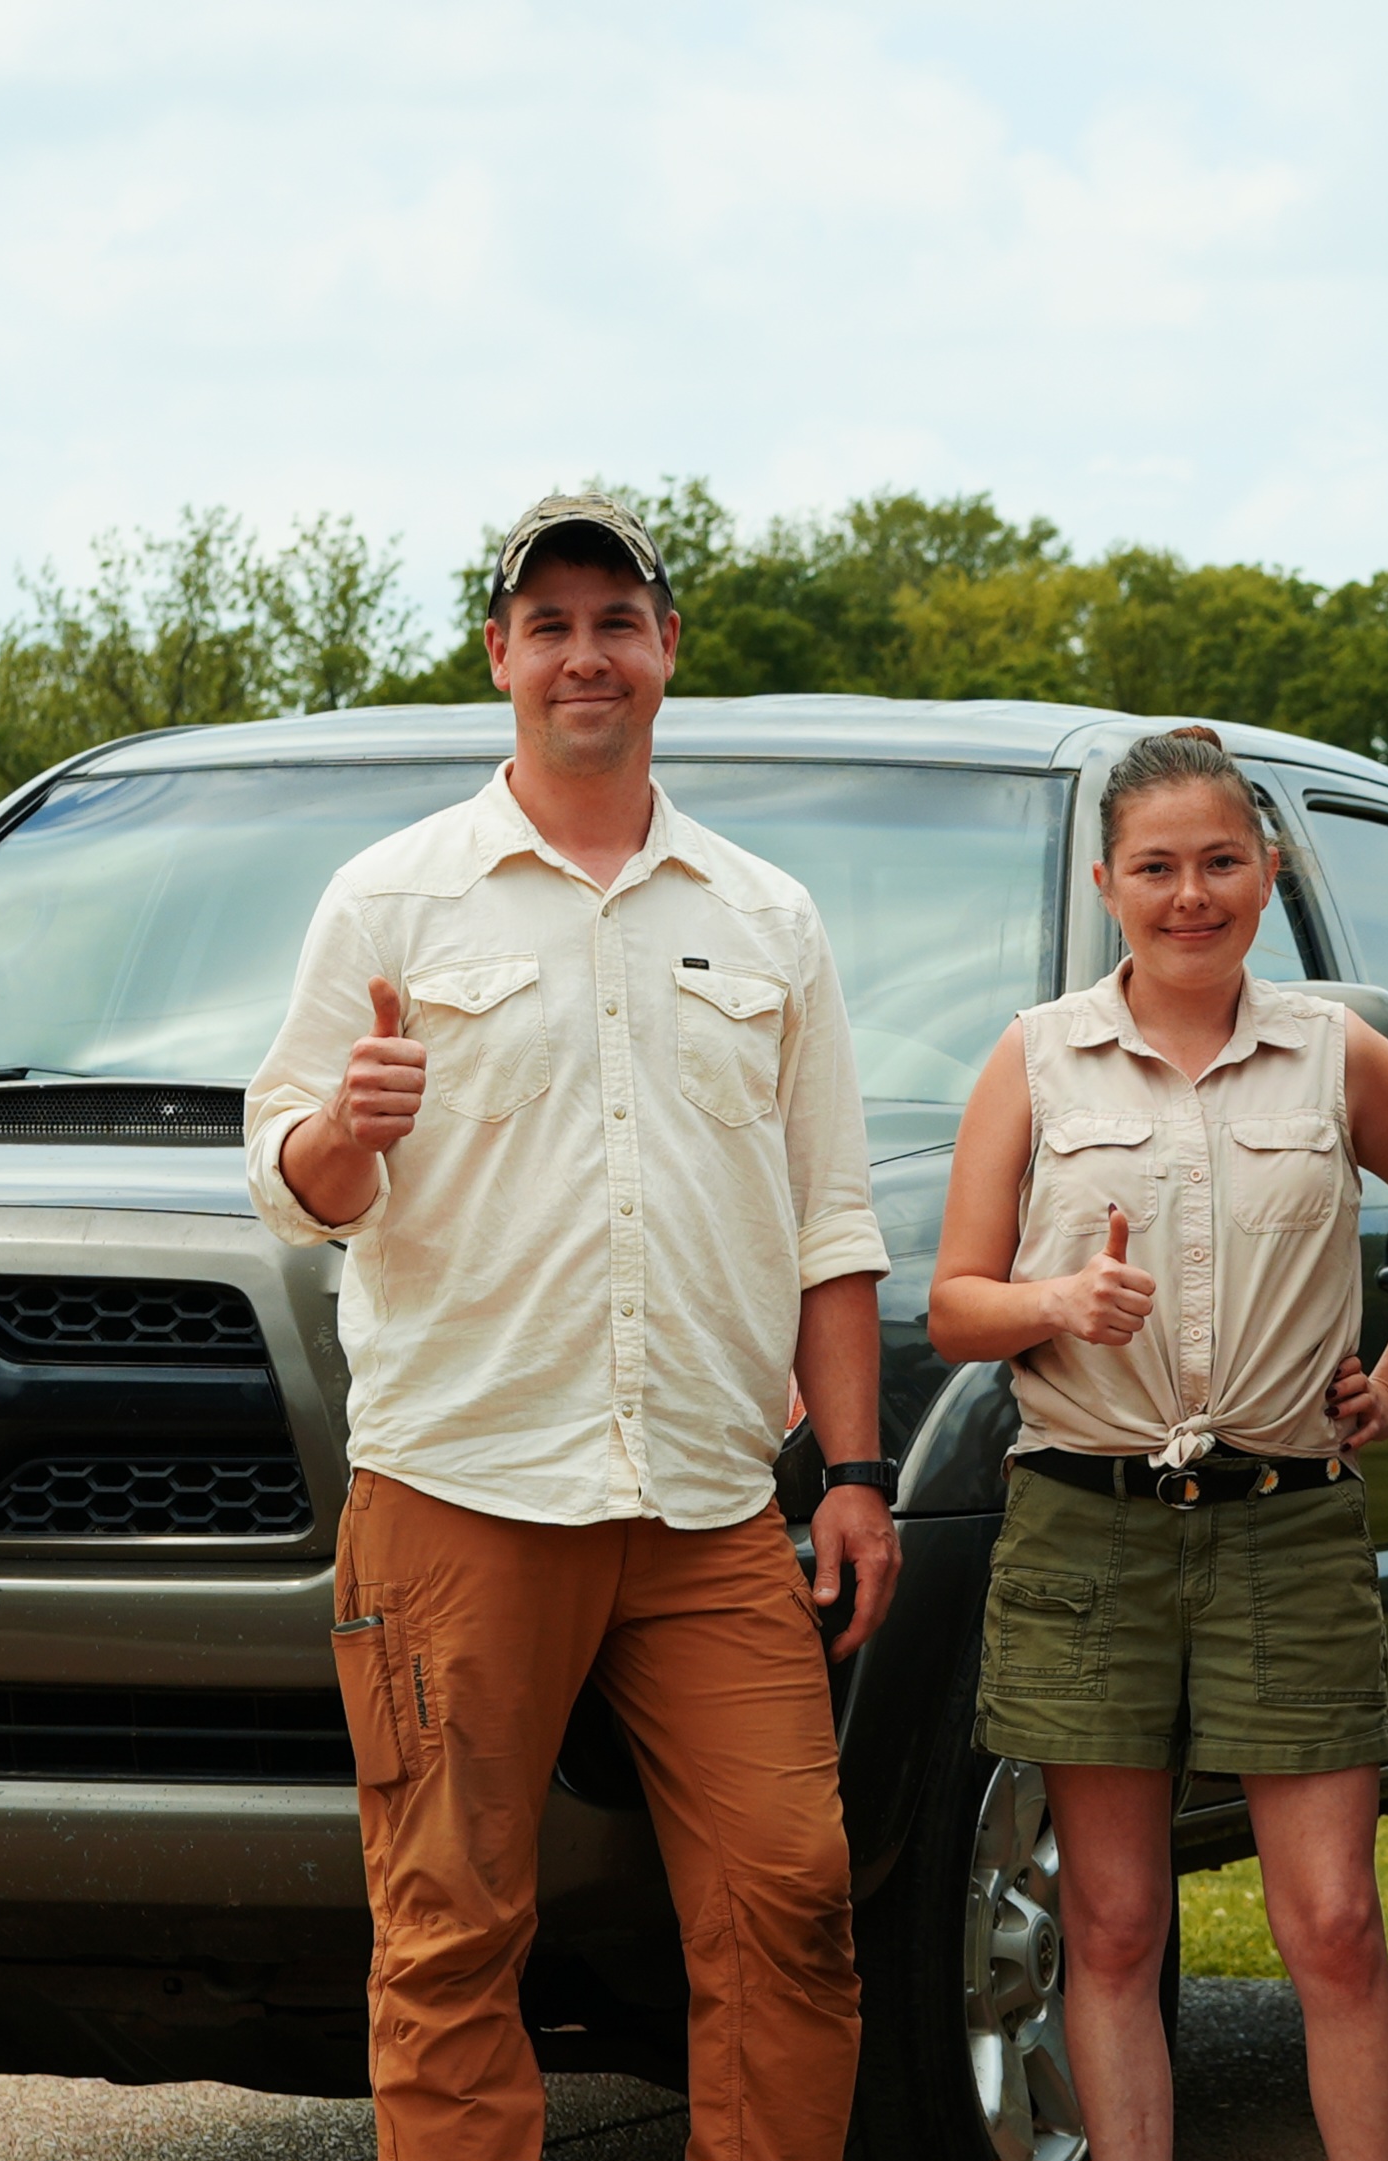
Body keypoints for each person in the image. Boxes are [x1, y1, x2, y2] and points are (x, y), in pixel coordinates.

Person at [244, 493, 899, 2161]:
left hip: (705, 1502)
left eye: (616, 619)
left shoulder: (767, 917)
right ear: (500, 657)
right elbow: (289, 1178)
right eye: (550, 624)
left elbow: (831, 1221)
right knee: (452, 1929)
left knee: (793, 1900)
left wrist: (854, 1470)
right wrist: (350, 1131)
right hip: (458, 1485)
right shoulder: (389, 901)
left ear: (667, 651)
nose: (583, 653)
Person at [928, 726, 1388, 2161]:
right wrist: (1057, 1298)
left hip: (1287, 1527)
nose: (1190, 894)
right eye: (1156, 867)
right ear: (1105, 879)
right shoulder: (1035, 1059)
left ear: (1268, 872)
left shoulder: (1334, 1056)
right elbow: (954, 1305)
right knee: (1109, 1923)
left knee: (1334, 1922)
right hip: (1086, 1525)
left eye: (1220, 862)